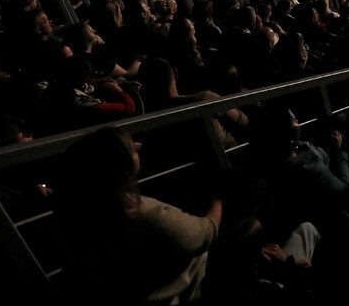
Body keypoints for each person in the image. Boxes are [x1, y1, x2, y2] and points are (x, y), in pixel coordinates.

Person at [52, 126, 222, 306]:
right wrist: (218, 199)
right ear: (119, 166)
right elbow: (204, 233)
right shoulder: (142, 214)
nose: (139, 146)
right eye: (132, 149)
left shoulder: (76, 212)